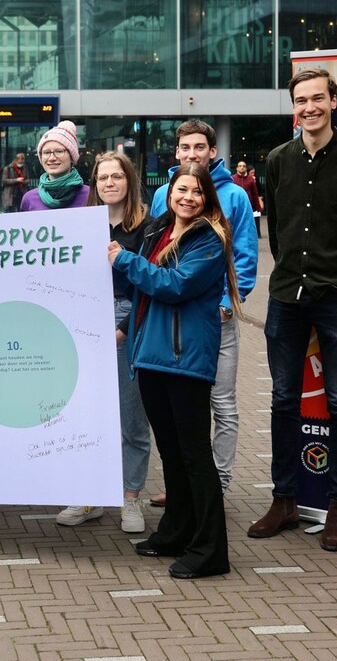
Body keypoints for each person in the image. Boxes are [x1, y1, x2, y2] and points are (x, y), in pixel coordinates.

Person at [249, 68, 337, 552]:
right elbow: (278, 231)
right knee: (283, 398)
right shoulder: (279, 160)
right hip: (288, 296)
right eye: (301, 100)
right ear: (294, 107)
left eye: (318, 98)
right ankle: (284, 500)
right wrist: (291, 272)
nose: (310, 107)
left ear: (333, 102)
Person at [111, 162, 238, 580]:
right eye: (181, 189)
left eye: (196, 192)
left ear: (207, 199)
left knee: (194, 455)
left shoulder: (209, 239)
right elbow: (141, 291)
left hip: (185, 361)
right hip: (150, 356)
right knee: (171, 452)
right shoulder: (159, 231)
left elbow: (174, 284)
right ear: (169, 193)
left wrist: (125, 260)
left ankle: (210, 550)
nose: (187, 197)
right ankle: (175, 531)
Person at [150, 120, 257, 502]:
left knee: (223, 405)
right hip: (177, 324)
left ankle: (219, 484)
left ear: (213, 151)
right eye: (185, 147)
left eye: (199, 147)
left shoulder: (235, 198)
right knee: (180, 410)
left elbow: (244, 259)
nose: (192, 153)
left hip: (218, 320)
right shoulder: (164, 192)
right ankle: (182, 484)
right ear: (176, 152)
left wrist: (227, 305)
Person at [56, 152, 154, 533]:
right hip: (84, 317)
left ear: (129, 180)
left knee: (132, 417)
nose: (110, 183)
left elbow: (150, 285)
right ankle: (90, 496)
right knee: (86, 413)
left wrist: (125, 328)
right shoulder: (83, 226)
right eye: (102, 177)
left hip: (129, 317)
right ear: (93, 183)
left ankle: (131, 498)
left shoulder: (147, 227)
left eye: (117, 176)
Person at [20, 121, 89, 211]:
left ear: (72, 157)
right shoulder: (29, 199)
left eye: (59, 151)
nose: (52, 158)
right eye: (46, 152)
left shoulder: (90, 195)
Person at [231, 160, 263, 237]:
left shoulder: (251, 179)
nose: (242, 168)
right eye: (240, 166)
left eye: (244, 166)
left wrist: (257, 206)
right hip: (236, 205)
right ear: (237, 168)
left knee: (248, 224)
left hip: (249, 205)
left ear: (246, 169)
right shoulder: (232, 179)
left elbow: (255, 193)